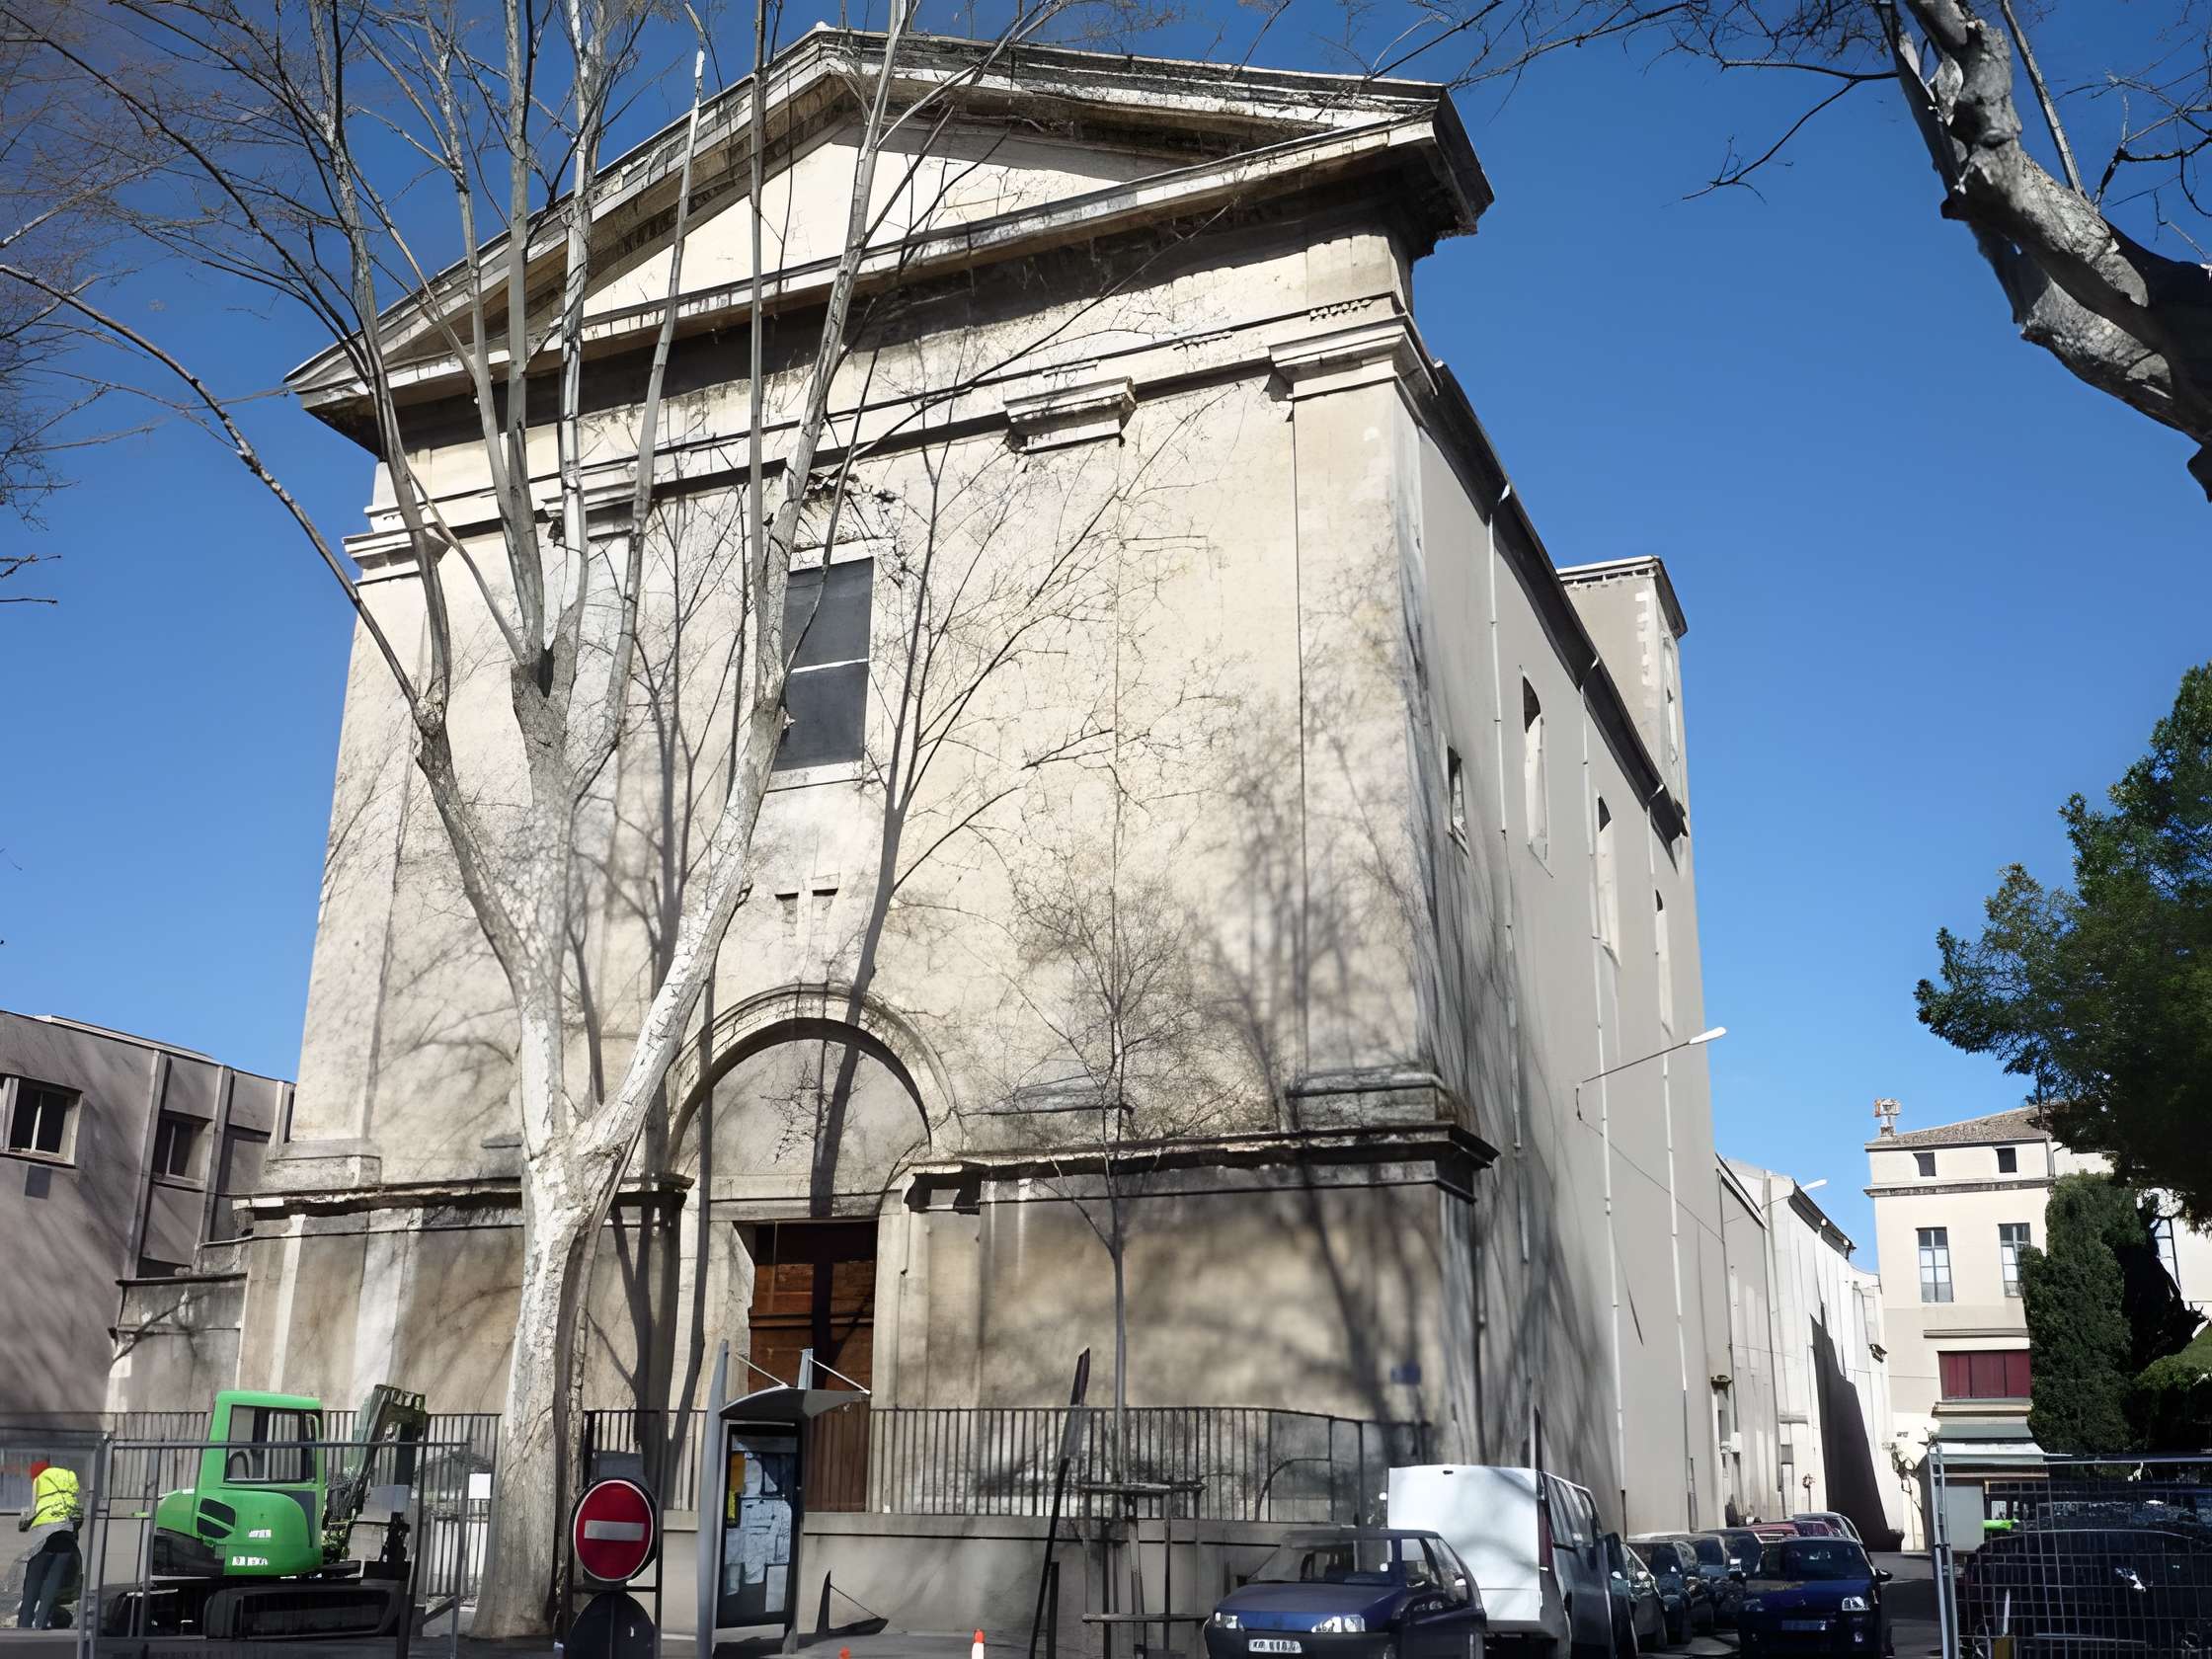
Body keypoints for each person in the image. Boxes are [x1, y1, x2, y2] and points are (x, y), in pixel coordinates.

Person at [13, 1459, 81, 1629]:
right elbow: (78, 1517)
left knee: (33, 1582)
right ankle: (41, 1625)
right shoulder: (68, 1482)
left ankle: (24, 1626)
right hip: (66, 1537)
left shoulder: (40, 1481)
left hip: (45, 1535)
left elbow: (34, 1510)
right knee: (52, 1584)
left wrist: (24, 1523)